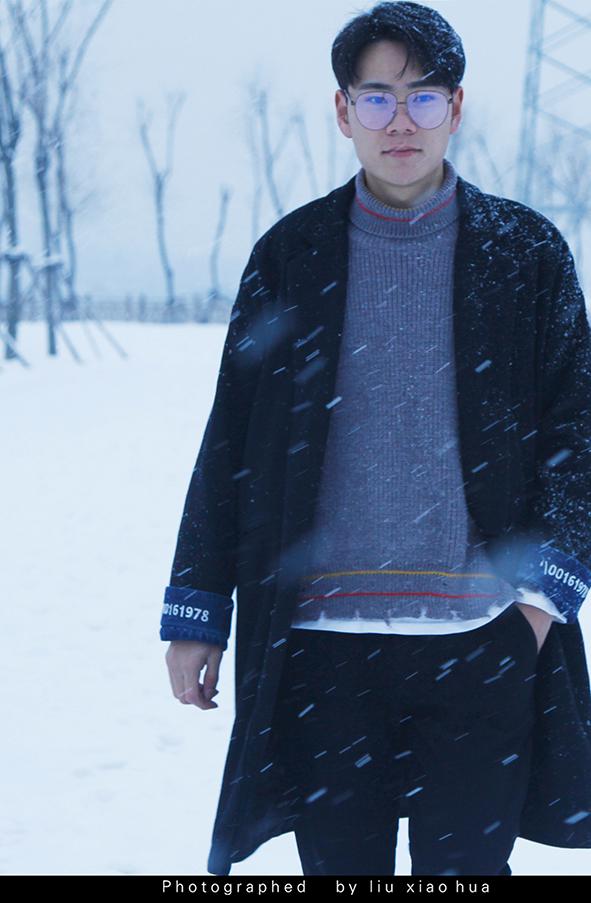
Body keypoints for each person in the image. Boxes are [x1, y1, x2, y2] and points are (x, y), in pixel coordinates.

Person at [160, 1, 591, 877]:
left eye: (423, 96)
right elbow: (233, 438)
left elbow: (576, 432)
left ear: (455, 109)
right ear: (342, 110)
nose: (400, 120)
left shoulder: (523, 252)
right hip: (321, 651)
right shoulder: (292, 255)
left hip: (481, 641)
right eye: (377, 97)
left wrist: (538, 605)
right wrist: (198, 608)